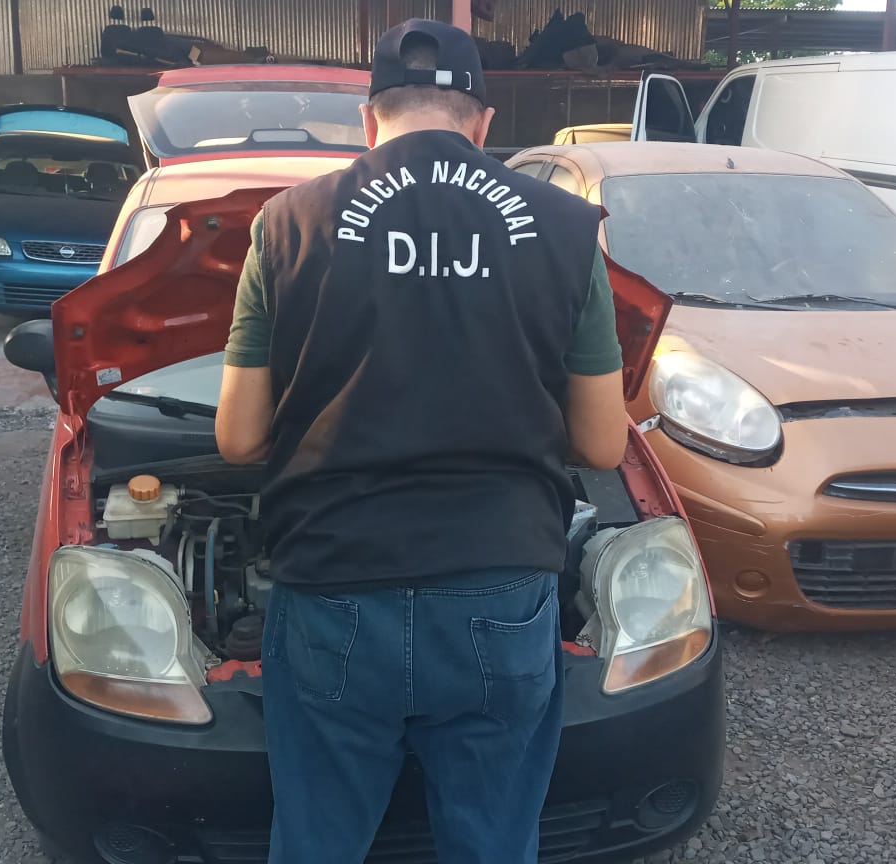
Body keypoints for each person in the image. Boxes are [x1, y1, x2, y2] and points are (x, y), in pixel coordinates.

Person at [214, 18, 629, 864]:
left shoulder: (286, 224)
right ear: (484, 122)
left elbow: (240, 437)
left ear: (368, 120)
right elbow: (602, 444)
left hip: (333, 582)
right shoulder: (565, 227)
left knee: (317, 846)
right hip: (498, 588)